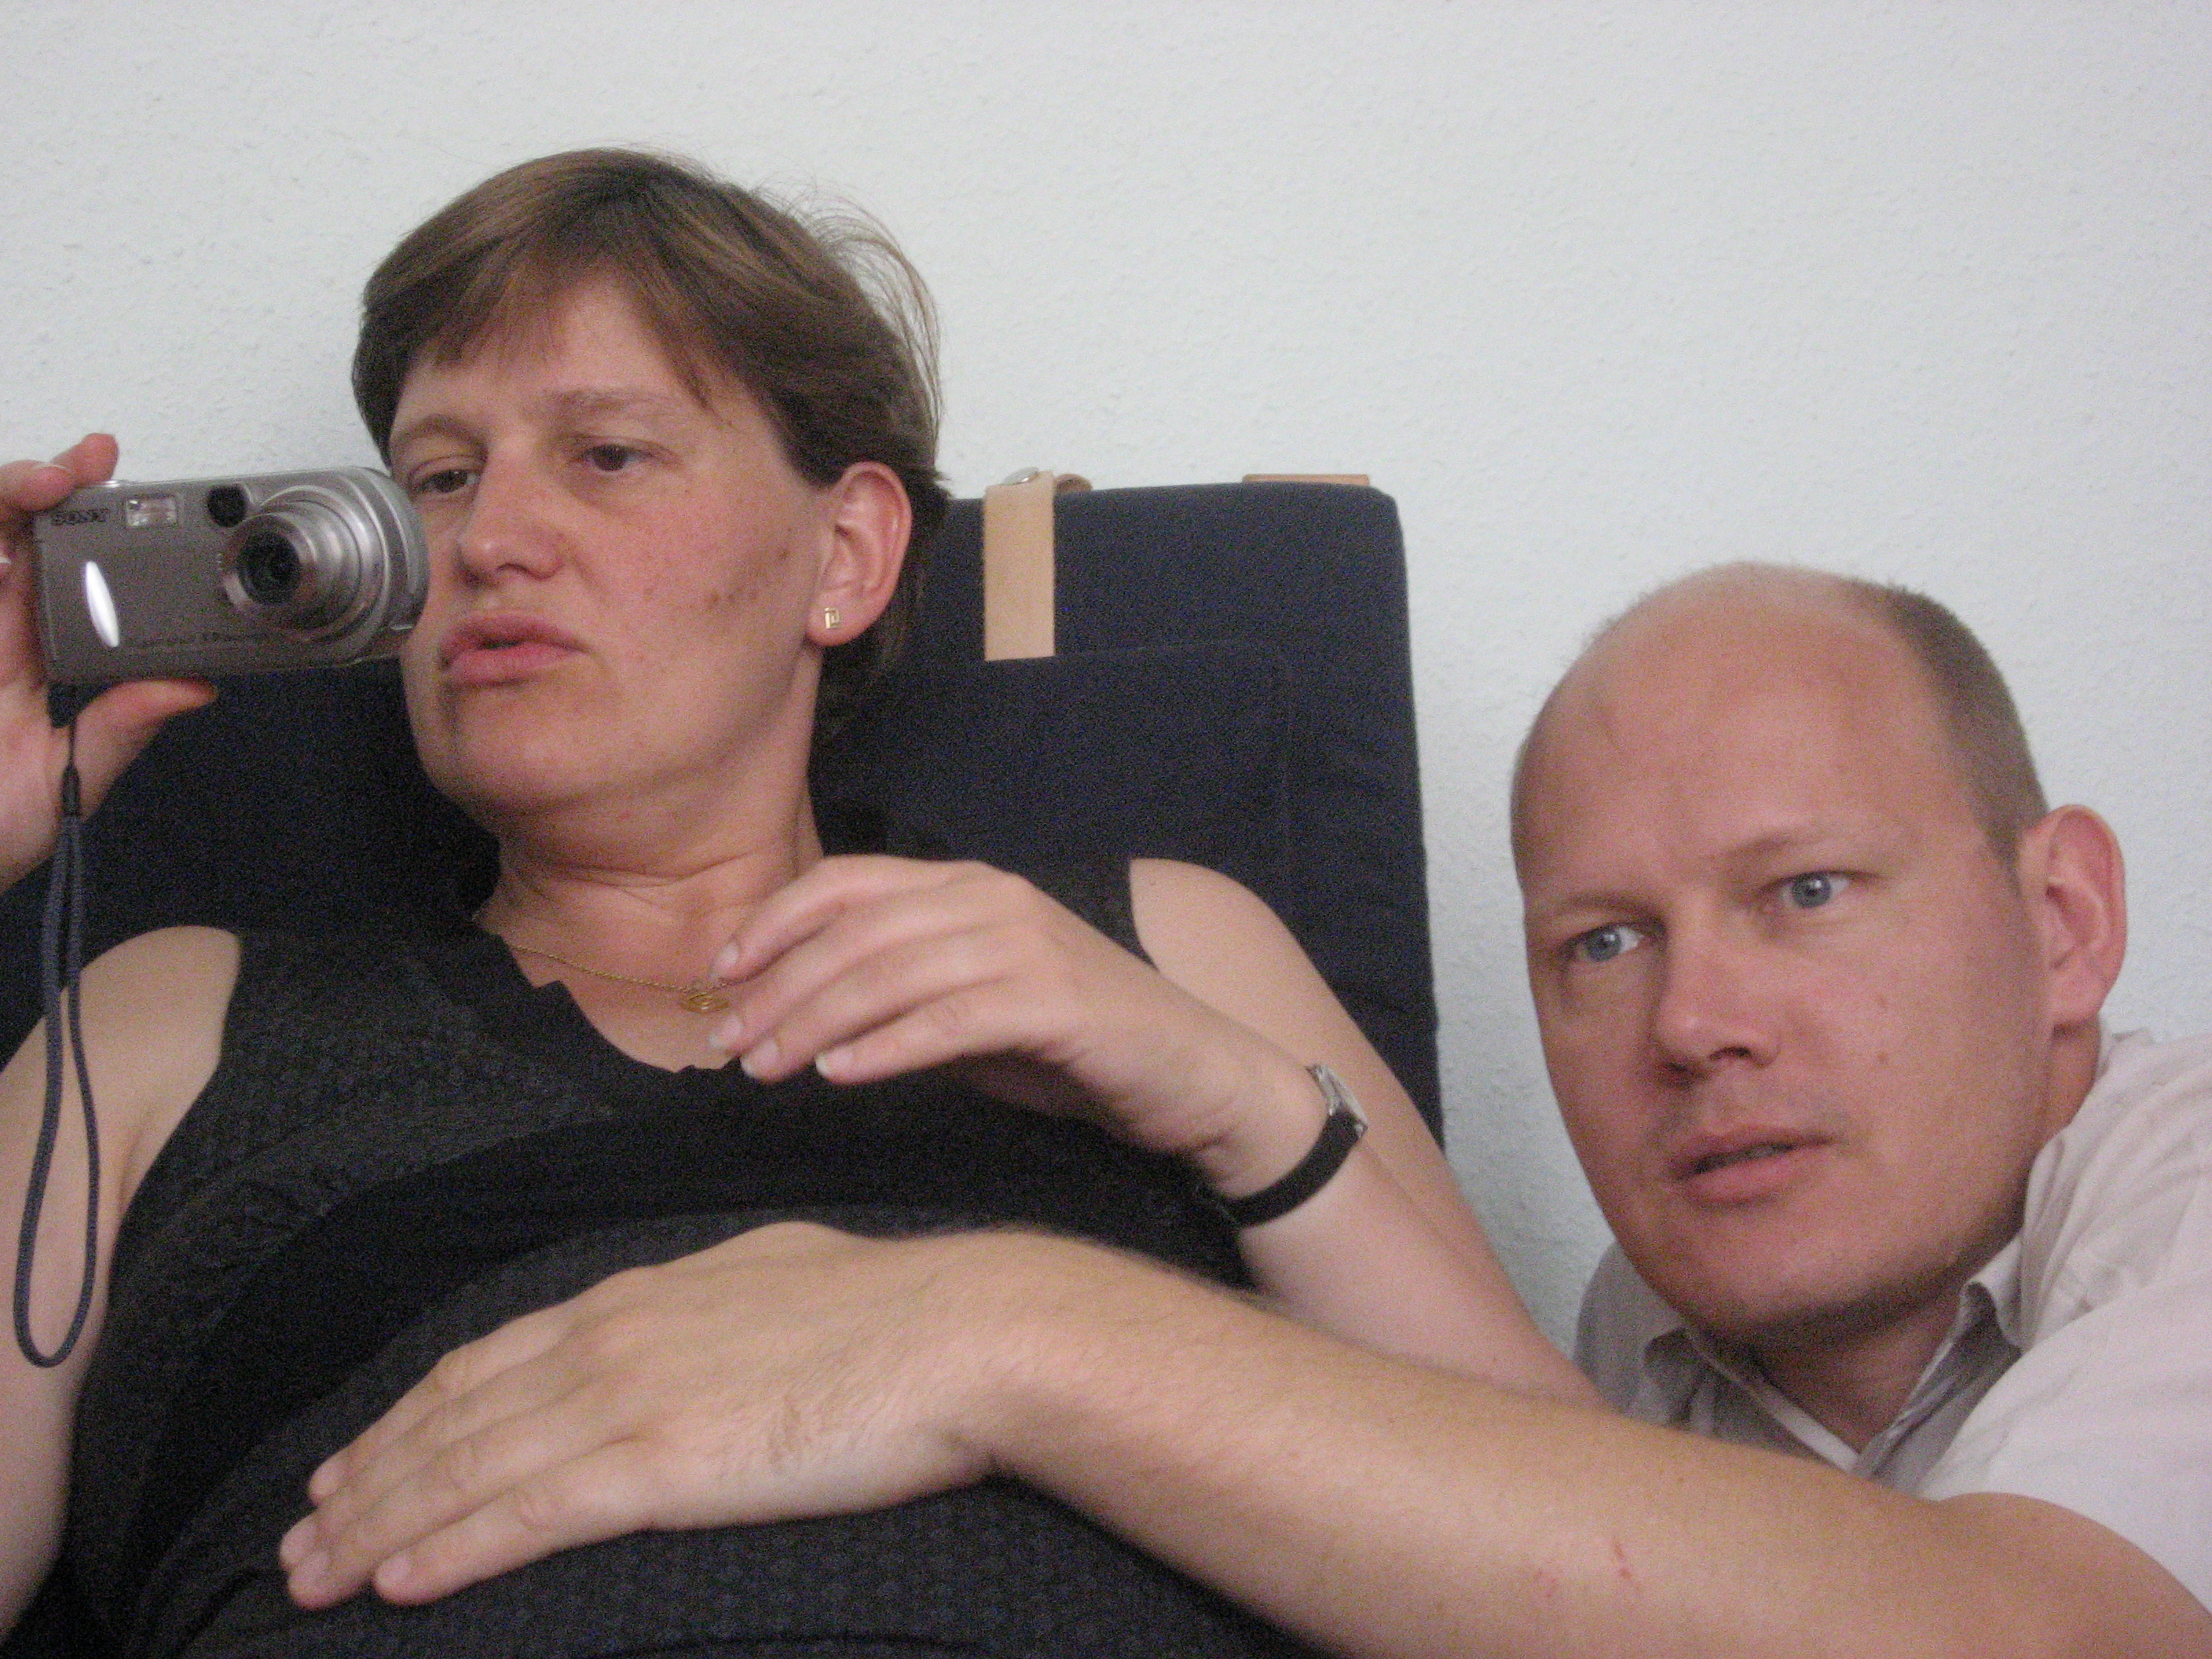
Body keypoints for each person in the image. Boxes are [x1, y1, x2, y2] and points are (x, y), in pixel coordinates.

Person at [0, 148, 1579, 1656]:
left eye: (606, 455)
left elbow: (1597, 1565)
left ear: (845, 552)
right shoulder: (168, 1023)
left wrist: (1245, 1111)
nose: (487, 540)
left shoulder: (1160, 948)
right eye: (440, 475)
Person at [277, 564, 2210, 1656]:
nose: (1692, 1025)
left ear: (2063, 923)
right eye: (1601, 943)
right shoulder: (1656, 1344)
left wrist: (980, 1326)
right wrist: (1243, 1115)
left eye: (1807, 893)